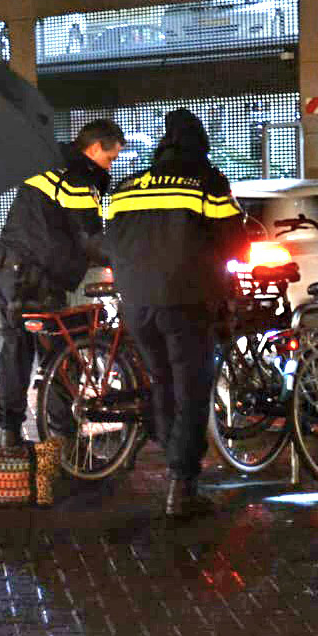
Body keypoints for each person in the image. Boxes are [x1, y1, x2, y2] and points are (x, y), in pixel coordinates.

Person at [102, 109, 249, 519]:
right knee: (192, 390)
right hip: (186, 300)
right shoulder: (206, 181)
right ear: (198, 144)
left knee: (162, 383)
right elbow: (235, 239)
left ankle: (172, 462)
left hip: (136, 304)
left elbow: (108, 240)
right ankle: (182, 486)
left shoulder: (130, 185)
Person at [0, 118, 125, 448]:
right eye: (110, 158)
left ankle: (10, 433)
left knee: (16, 351)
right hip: (36, 280)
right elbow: (91, 240)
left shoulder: (51, 167)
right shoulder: (77, 179)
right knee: (61, 351)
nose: (112, 165)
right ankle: (64, 437)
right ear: (93, 149)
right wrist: (129, 257)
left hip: (9, 271)